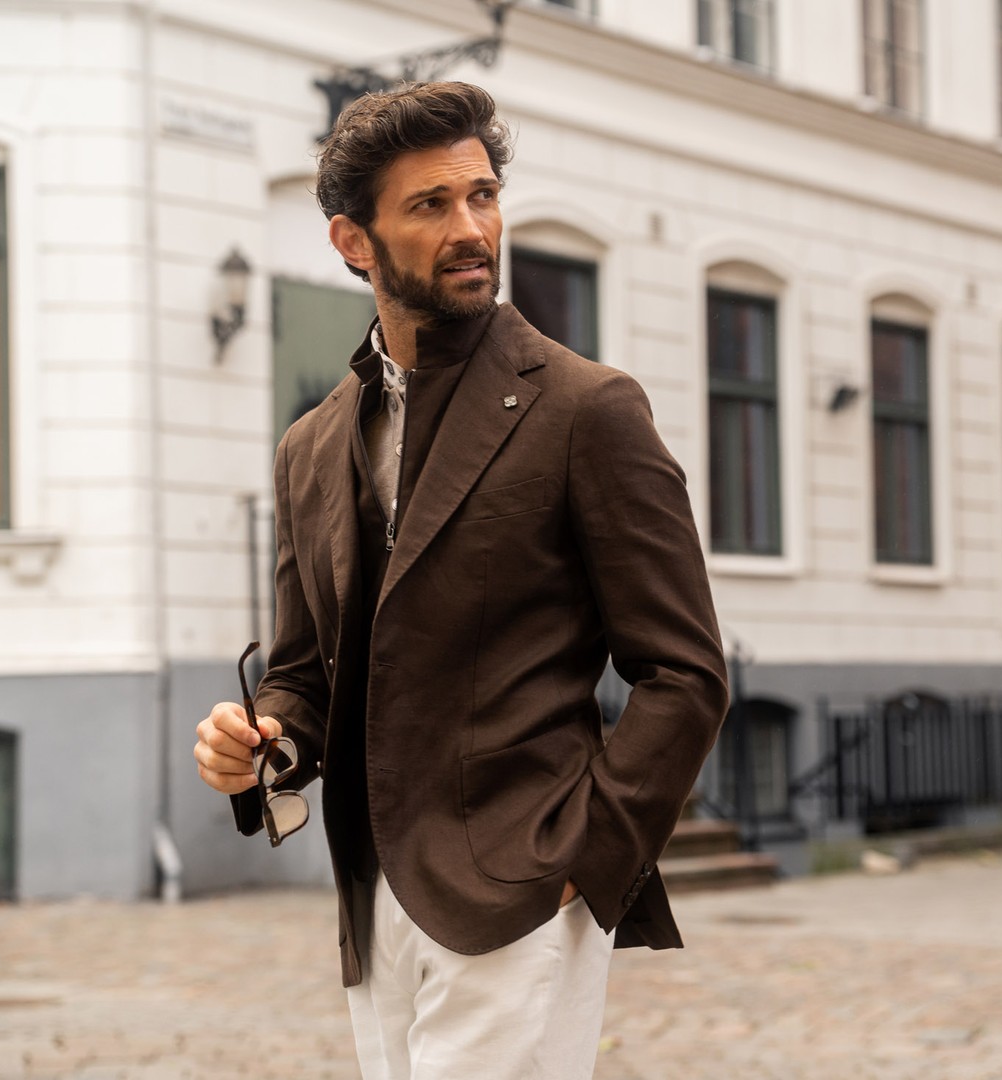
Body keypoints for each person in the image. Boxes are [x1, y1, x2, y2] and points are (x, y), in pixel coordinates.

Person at [193, 81, 728, 1080]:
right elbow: (305, 673)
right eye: (431, 206)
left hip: (522, 888)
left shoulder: (588, 409)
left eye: (481, 196)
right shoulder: (309, 448)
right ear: (355, 242)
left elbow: (685, 672)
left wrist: (582, 858)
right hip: (370, 897)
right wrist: (260, 742)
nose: (471, 226)